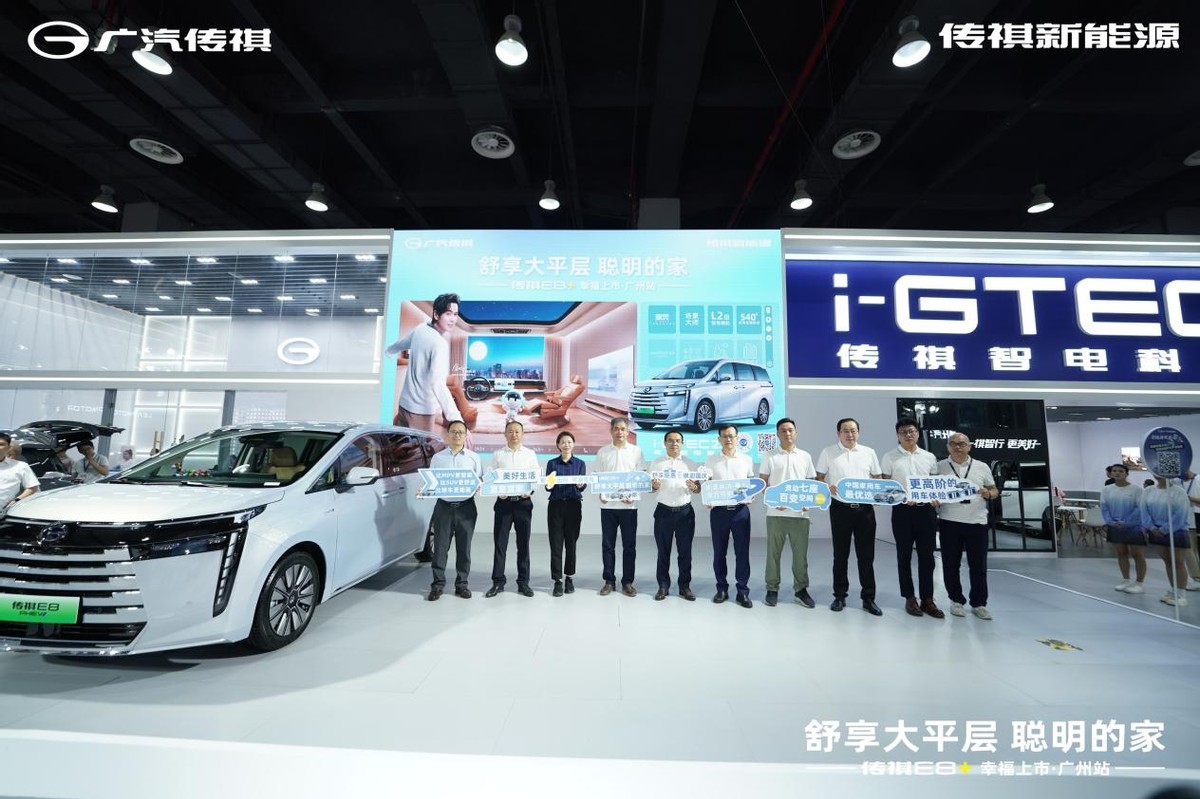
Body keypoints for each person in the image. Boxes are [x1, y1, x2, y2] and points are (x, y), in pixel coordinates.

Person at [815, 417, 883, 615]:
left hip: (865, 510)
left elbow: (877, 477)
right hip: (840, 509)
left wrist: (877, 493)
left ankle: (868, 598)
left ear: (858, 433)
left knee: (866, 555)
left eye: (853, 430)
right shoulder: (828, 452)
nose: (850, 434)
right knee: (840, 554)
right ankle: (839, 596)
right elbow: (819, 478)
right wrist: (828, 487)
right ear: (838, 434)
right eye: (845, 431)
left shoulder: (869, 452)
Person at [879, 418, 943, 618]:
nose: (908, 435)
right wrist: (901, 497)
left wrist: (936, 497)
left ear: (918, 433)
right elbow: (885, 486)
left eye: (911, 431)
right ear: (897, 435)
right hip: (902, 512)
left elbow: (935, 483)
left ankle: (928, 599)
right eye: (903, 432)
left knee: (927, 557)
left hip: (926, 512)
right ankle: (909, 597)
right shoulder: (889, 457)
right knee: (904, 555)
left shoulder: (929, 457)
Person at [936, 432, 1000, 620]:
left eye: (962, 444)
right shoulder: (939, 467)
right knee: (950, 564)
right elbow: (931, 490)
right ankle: (956, 600)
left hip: (977, 522)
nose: (958, 447)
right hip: (949, 521)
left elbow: (994, 489)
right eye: (953, 443)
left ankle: (979, 603)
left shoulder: (982, 466)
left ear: (969, 446)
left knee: (978, 565)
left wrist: (989, 493)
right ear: (948, 447)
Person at [385, 292, 463, 434]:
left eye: (455, 314)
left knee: (399, 445)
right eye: (448, 314)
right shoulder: (440, 344)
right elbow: (437, 384)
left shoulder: (420, 328)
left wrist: (388, 351)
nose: (453, 319)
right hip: (421, 413)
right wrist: (456, 419)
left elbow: (402, 344)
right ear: (436, 314)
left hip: (403, 405)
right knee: (420, 449)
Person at [759, 417, 817, 608]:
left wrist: (808, 502)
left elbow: (811, 484)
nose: (787, 433)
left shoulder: (805, 456)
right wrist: (774, 500)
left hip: (800, 515)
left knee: (801, 556)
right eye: (783, 430)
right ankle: (772, 589)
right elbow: (763, 483)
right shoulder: (770, 455)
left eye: (790, 430)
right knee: (773, 555)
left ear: (796, 433)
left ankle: (801, 590)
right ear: (777, 434)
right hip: (775, 514)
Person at [426, 420, 482, 601]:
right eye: (454, 432)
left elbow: (479, 479)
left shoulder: (473, 457)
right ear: (448, 435)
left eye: (461, 432)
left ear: (466, 436)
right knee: (440, 548)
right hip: (443, 507)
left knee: (464, 549)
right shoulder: (438, 458)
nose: (457, 435)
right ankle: (437, 585)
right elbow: (431, 481)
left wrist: (480, 485)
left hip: (466, 507)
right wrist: (425, 490)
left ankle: (462, 585)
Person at [705, 423, 756, 608]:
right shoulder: (711, 460)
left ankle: (743, 591)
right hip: (719, 512)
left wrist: (751, 494)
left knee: (742, 552)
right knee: (719, 552)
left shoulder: (746, 459)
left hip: (740, 512)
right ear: (719, 439)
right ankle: (722, 589)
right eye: (724, 436)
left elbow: (751, 482)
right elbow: (706, 484)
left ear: (737, 438)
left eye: (731, 436)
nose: (728, 439)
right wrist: (707, 497)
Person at [486, 420, 539, 597]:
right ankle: (497, 582)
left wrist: (530, 491)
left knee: (523, 544)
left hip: (523, 504)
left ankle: (523, 582)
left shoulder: (530, 454)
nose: (514, 434)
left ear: (522, 434)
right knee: (500, 544)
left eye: (517, 431)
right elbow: (491, 477)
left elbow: (535, 477)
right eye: (510, 431)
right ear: (505, 434)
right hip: (504, 504)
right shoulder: (498, 454)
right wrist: (497, 491)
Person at [595, 417, 646, 596]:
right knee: (608, 546)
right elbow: (598, 477)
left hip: (629, 508)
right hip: (608, 507)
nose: (619, 432)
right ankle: (609, 581)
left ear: (628, 431)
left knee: (629, 546)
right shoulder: (603, 452)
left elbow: (641, 477)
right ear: (611, 431)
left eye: (623, 429)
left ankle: (628, 582)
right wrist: (600, 493)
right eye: (616, 429)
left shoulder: (636, 451)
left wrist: (633, 495)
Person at [649, 430, 701, 601]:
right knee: (663, 552)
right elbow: (650, 488)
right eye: (670, 440)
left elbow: (698, 488)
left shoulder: (690, 463)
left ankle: (684, 587)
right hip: (663, 512)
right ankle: (663, 586)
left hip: (685, 512)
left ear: (682, 443)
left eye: (678, 440)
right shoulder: (656, 463)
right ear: (665, 443)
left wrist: (695, 488)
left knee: (685, 552)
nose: (674, 443)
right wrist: (654, 486)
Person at [545, 430, 585, 597]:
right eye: (563, 442)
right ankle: (557, 580)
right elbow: (548, 487)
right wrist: (550, 482)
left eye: (569, 442)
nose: (566, 445)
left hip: (573, 506)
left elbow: (583, 486)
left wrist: (580, 485)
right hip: (556, 506)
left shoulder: (580, 463)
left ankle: (569, 577)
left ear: (573, 444)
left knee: (571, 543)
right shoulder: (552, 463)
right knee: (556, 544)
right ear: (558, 445)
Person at [1141, 475, 1192, 607]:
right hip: (1155, 531)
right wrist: (1152, 527)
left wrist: (1164, 529)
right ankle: (1174, 590)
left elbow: (1181, 514)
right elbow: (1144, 511)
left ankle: (1181, 594)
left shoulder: (1179, 491)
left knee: (1178, 562)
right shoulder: (1148, 491)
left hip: (1177, 531)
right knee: (1168, 562)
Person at [1102, 463, 1147, 594]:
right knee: (1121, 553)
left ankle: (1139, 583)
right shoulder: (1106, 490)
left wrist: (1126, 522)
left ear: (1126, 474)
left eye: (1121, 471)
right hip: (1115, 526)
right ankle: (1126, 580)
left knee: (1137, 555)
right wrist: (1111, 522)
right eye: (1114, 471)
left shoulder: (1137, 489)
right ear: (1111, 473)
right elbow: (1104, 508)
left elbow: (1140, 508)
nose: (1117, 473)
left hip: (1134, 527)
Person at [0, 434, 38, 509]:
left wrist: (17, 500)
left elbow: (32, 488)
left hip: (6, 512)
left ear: (8, 447)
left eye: (1, 444)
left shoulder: (21, 466)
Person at [1182, 471, 1200, 591]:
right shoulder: (1176, 481)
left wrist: (1189, 498)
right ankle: (1196, 578)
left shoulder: (1198, 480)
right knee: (1189, 552)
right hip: (1185, 522)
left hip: (1197, 518)